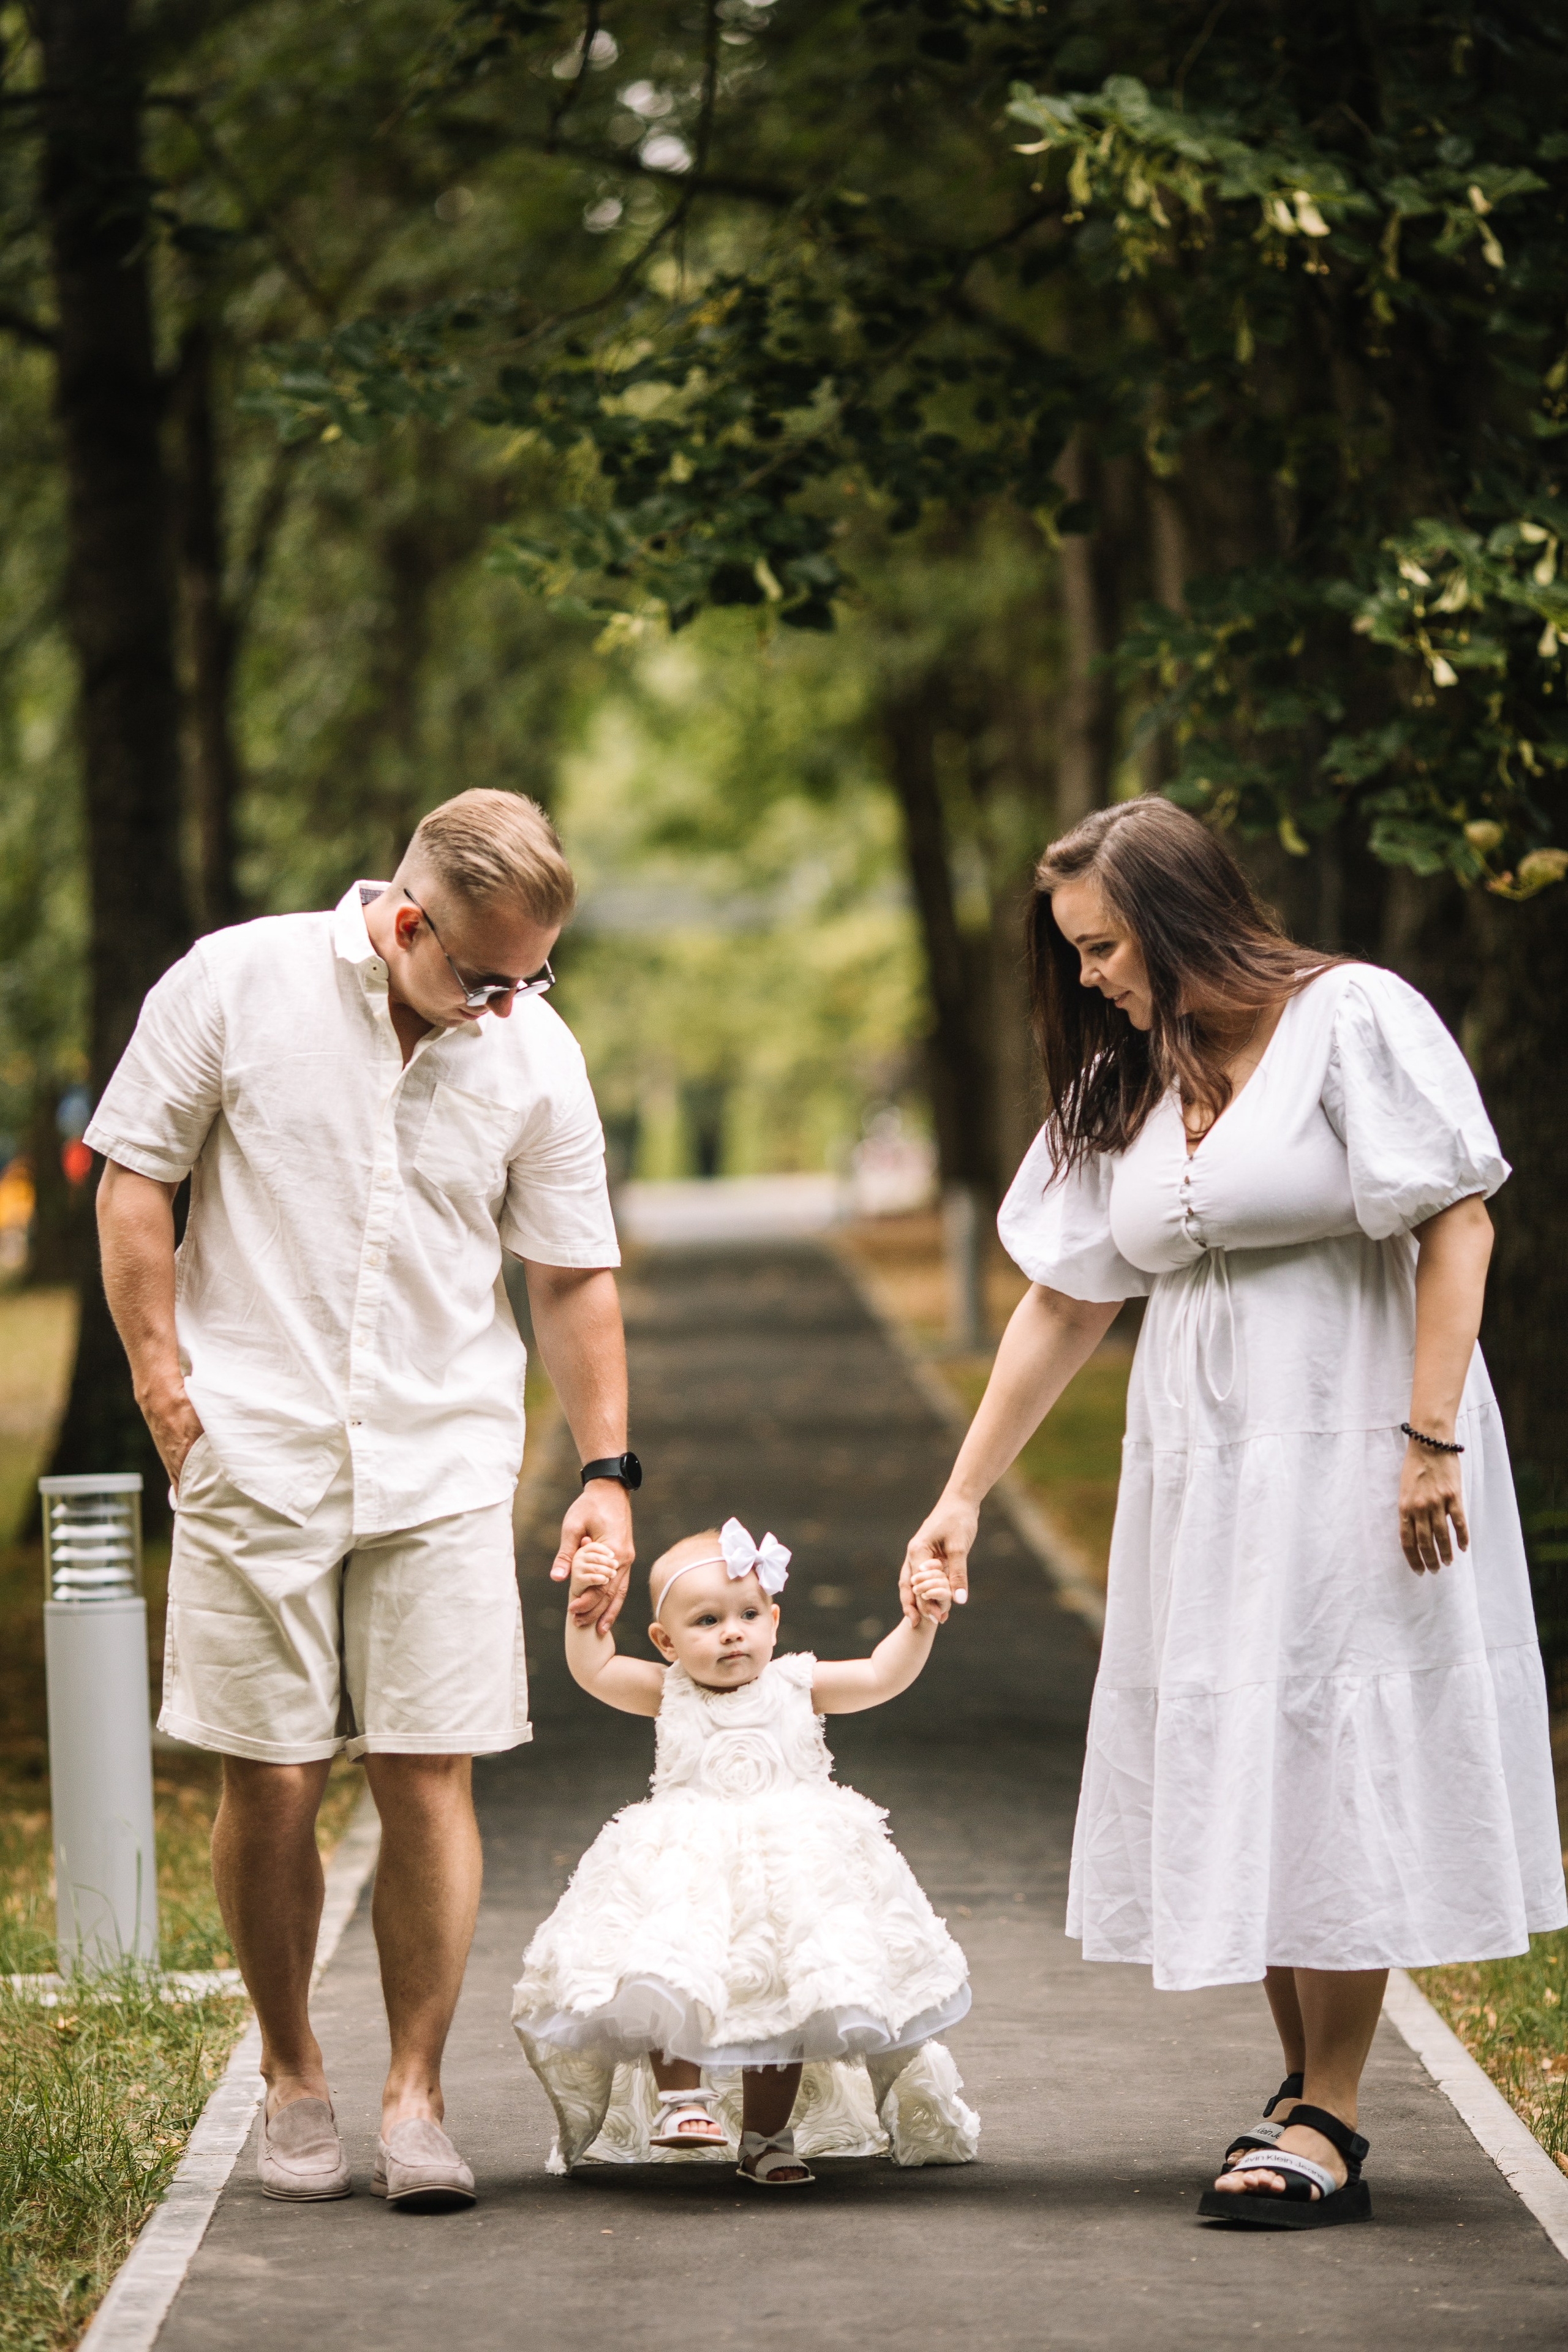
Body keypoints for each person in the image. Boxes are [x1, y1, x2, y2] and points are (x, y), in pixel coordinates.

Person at [900, 797, 1566, 2230]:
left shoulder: (1350, 1018)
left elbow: (1455, 1217)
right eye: (1071, 953)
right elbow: (1067, 1295)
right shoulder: (1123, 1076)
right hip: (1200, 1462)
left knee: (1333, 1731)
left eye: (1100, 946)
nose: (1087, 976)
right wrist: (958, 1496)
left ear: (1177, 914)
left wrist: (1430, 1435)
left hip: (1355, 1432)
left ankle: (1326, 2104)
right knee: (1247, 1731)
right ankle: (1294, 2083)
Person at [85, 789, 639, 2213]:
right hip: (251, 1439)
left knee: (425, 1764)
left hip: (445, 1454)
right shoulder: (236, 982)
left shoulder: (533, 1049)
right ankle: (291, 2070)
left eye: (536, 974)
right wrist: (160, 1374)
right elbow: (135, 1173)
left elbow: (572, 1270)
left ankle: (415, 2090)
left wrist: (603, 1476)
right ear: (405, 923)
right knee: (270, 1775)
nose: (511, 1001)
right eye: (486, 972)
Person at [511, 1517, 981, 2185]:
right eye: (706, 1620)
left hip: (789, 1878)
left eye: (748, 1614)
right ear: (665, 1641)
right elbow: (593, 1669)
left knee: (781, 2000)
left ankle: (767, 2137)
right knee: (669, 1969)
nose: (733, 1631)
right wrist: (584, 1600)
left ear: (774, 1619)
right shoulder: (669, 1690)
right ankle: (681, 2099)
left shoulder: (796, 1684)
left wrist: (920, 1620)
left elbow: (881, 1674)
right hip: (689, 1869)